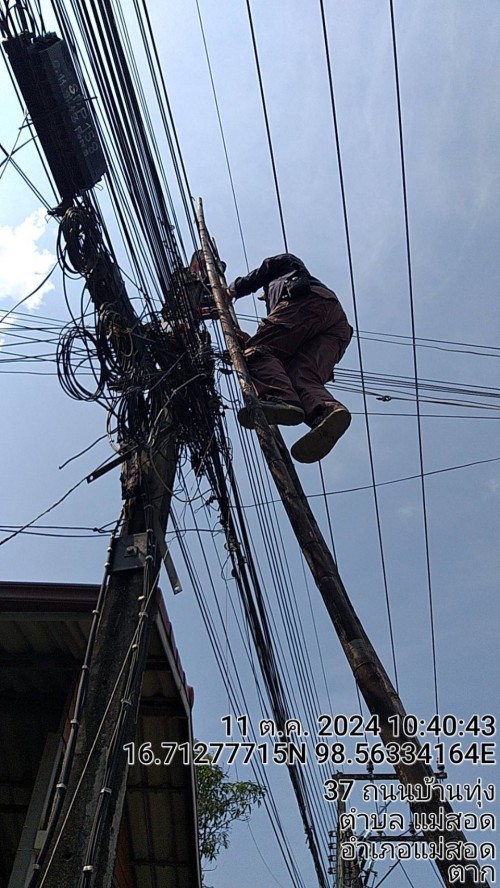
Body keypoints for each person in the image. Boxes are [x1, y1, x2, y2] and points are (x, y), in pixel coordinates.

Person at [226, 253, 353, 463]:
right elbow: (282, 354)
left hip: (306, 302)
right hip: (337, 327)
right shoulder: (285, 299)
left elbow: (267, 267)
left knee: (257, 351)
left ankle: (280, 398)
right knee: (301, 376)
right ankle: (326, 411)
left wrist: (232, 289)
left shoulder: (287, 267)